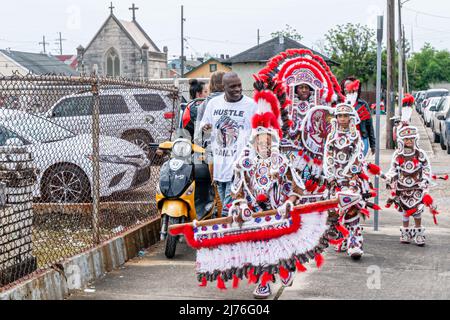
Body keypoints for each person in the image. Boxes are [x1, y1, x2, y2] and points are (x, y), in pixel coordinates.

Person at [323, 103, 379, 260]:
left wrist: (352, 175)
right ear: (336, 118)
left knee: (352, 207)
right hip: (334, 179)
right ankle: (343, 238)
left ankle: (355, 243)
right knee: (337, 210)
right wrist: (331, 176)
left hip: (351, 179)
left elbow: (358, 156)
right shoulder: (331, 136)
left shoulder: (355, 136)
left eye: (345, 116)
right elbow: (327, 156)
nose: (342, 119)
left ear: (350, 118)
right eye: (339, 116)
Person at [199, 72, 257, 217]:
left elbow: (258, 131)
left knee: (228, 209)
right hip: (219, 165)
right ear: (223, 87)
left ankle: (226, 235)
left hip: (240, 166)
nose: (237, 89)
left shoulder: (250, 105)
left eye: (239, 86)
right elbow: (204, 124)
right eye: (233, 86)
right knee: (224, 203)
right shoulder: (214, 103)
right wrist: (205, 127)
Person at [385, 94, 438, 246]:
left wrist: (425, 179)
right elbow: (393, 169)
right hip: (402, 187)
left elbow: (426, 167)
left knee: (417, 211)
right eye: (406, 139)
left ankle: (419, 233)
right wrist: (390, 176)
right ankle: (405, 233)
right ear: (402, 141)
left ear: (415, 139)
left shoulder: (420, 154)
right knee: (404, 212)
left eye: (410, 139)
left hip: (417, 186)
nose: (408, 141)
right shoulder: (398, 154)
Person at [341, 77, 376, 156]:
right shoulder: (339, 104)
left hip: (362, 139)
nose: (347, 89)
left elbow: (369, 125)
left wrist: (373, 145)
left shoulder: (363, 104)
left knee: (360, 164)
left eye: (349, 86)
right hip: (343, 140)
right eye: (345, 87)